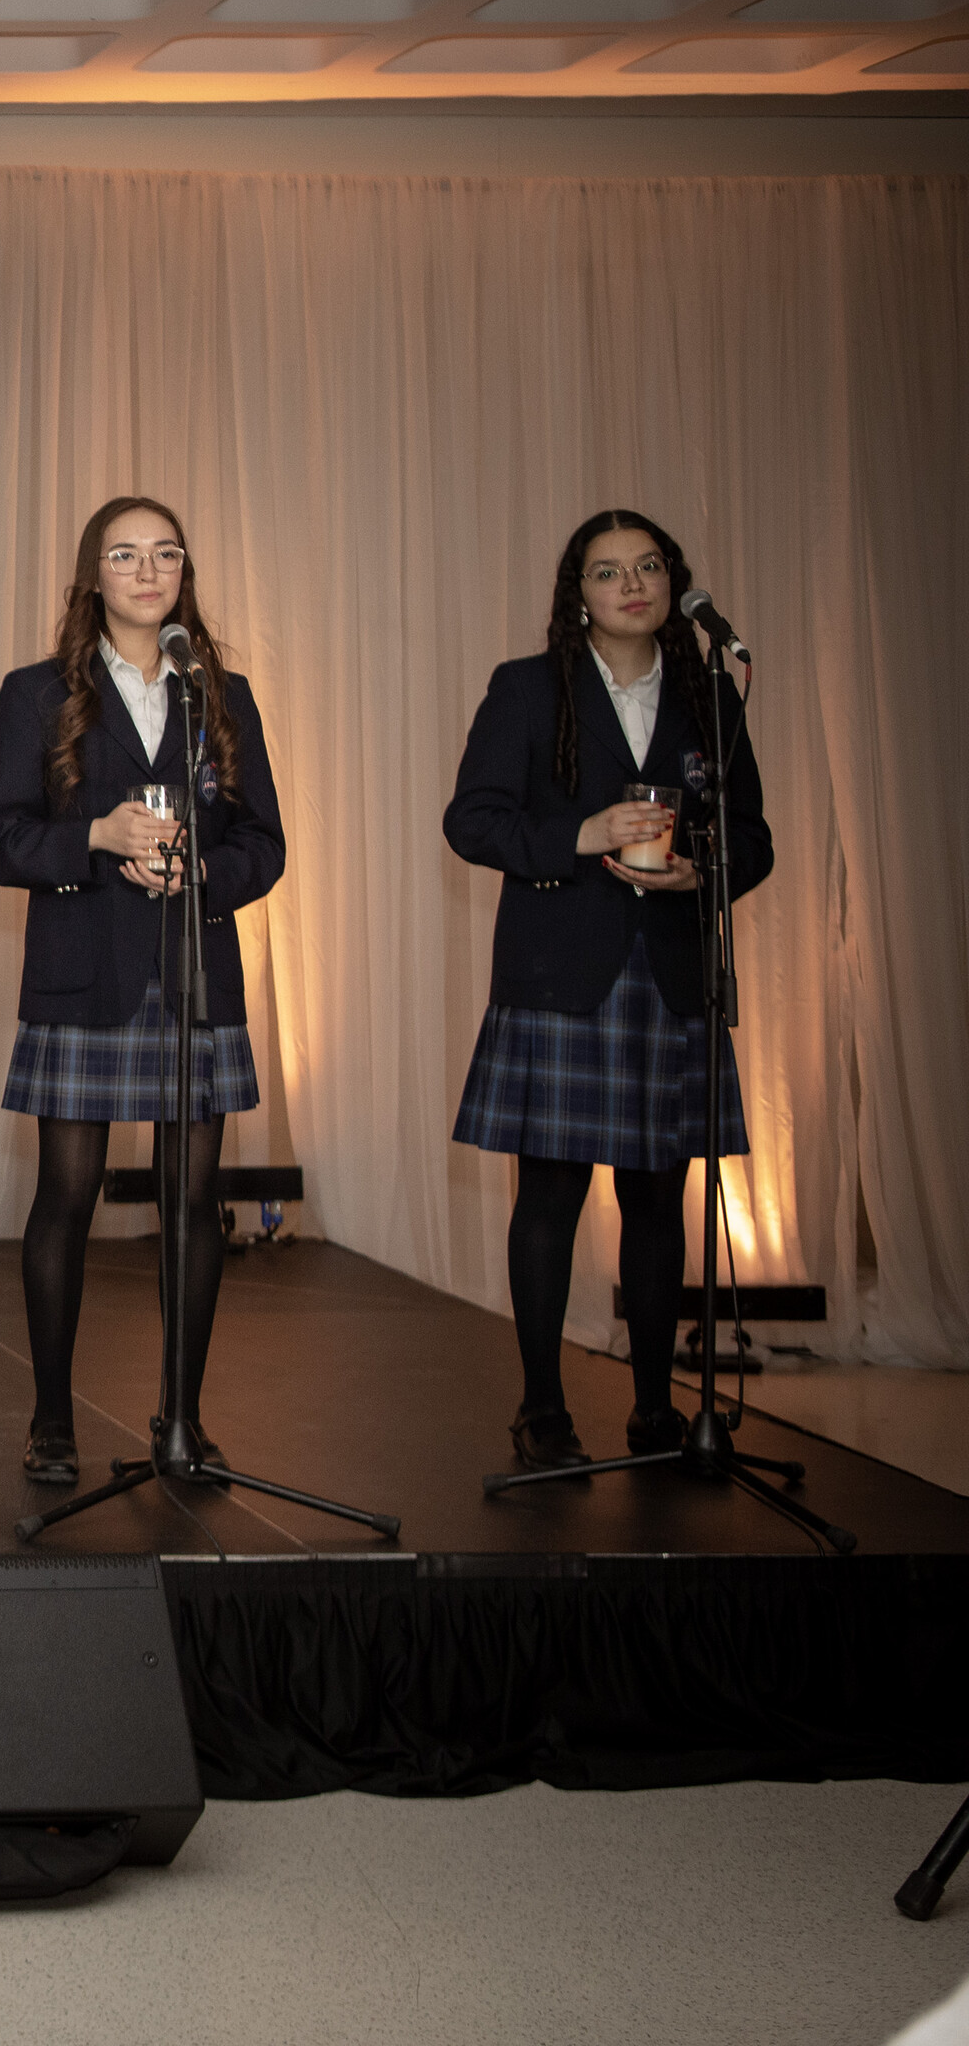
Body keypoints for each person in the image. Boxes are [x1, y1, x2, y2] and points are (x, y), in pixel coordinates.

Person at [445, 510, 771, 1469]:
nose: (633, 584)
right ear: (576, 593)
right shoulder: (528, 688)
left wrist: (699, 868)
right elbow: (473, 821)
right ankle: (542, 1406)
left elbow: (750, 837)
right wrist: (579, 836)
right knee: (548, 1194)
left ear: (674, 582)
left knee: (659, 1197)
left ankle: (654, 1408)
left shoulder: (711, 693)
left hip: (670, 974)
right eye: (607, 571)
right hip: (560, 972)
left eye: (649, 567)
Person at [0, 495, 284, 1488]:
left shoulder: (219, 695)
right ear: (91, 578)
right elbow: (0, 839)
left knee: (194, 1202)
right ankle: (52, 1417)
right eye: (125, 555)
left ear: (185, 574)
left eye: (166, 554)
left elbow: (263, 844)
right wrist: (96, 839)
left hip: (193, 975)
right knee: (64, 1196)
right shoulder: (36, 695)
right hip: (83, 972)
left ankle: (182, 1419)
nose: (147, 572)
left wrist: (204, 872)